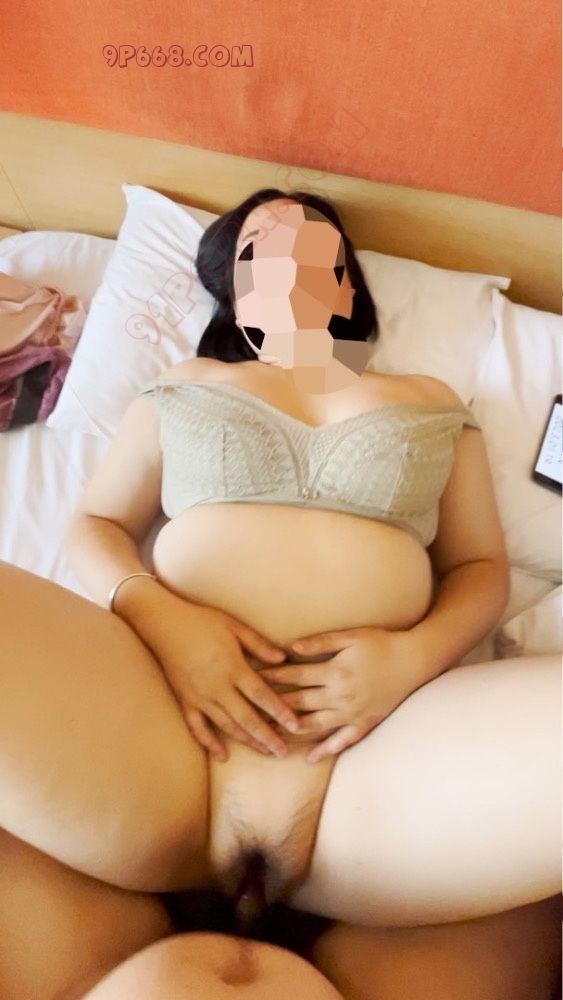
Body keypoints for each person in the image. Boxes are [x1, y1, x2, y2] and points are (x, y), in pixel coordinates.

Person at [0, 189, 559, 999]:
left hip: (375, 765)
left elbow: (479, 569)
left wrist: (409, 660)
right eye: (260, 250)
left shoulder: (432, 399)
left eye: (312, 246)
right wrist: (163, 619)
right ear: (234, 291)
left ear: (344, 285)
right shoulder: (187, 381)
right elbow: (94, 523)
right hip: (157, 730)